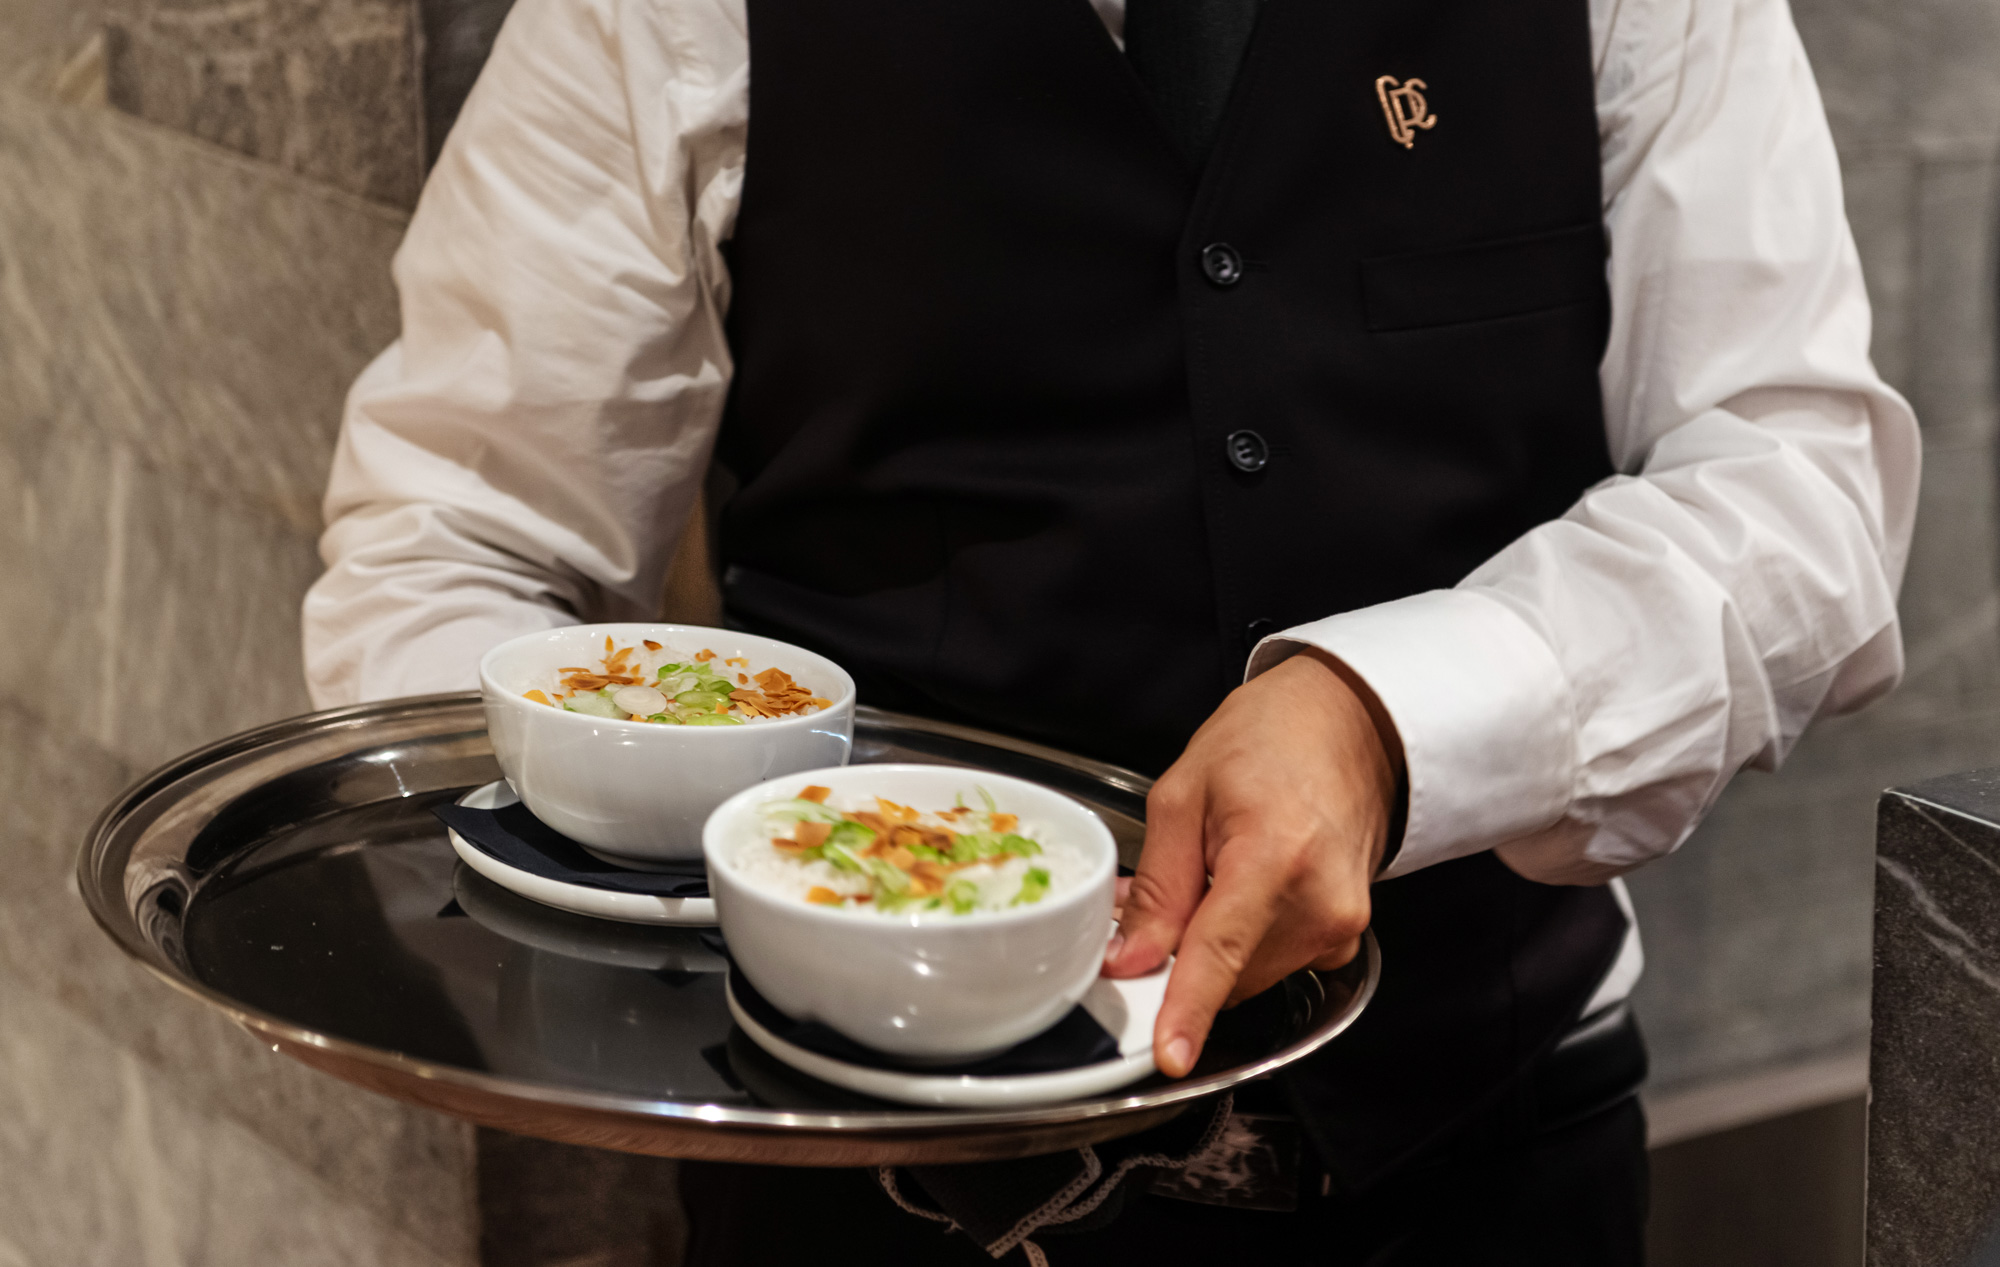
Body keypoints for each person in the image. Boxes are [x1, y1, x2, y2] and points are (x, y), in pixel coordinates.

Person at [303, 0, 1918, 1258]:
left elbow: (1798, 494)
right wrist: (652, 918)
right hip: (871, 1205)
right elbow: (456, 531)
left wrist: (1393, 719)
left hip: (1483, 1166)